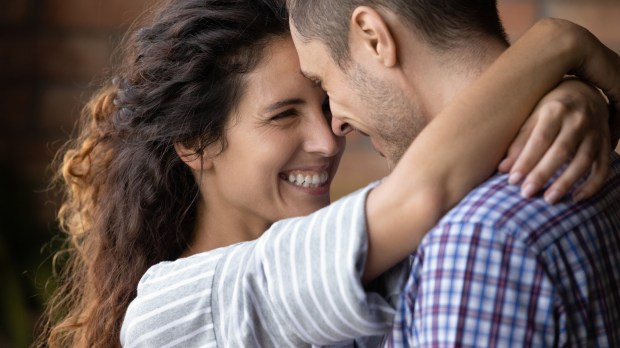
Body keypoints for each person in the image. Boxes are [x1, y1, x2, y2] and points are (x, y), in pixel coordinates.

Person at [36, 0, 620, 347]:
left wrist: (569, 99)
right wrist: (555, 49)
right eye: (283, 114)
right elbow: (423, 189)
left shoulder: (372, 246)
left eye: (321, 99)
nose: (329, 134)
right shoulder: (172, 310)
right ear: (195, 143)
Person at [287, 0, 620, 346]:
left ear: (374, 38)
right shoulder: (598, 156)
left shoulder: (476, 241)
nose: (336, 125)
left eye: (325, 84)